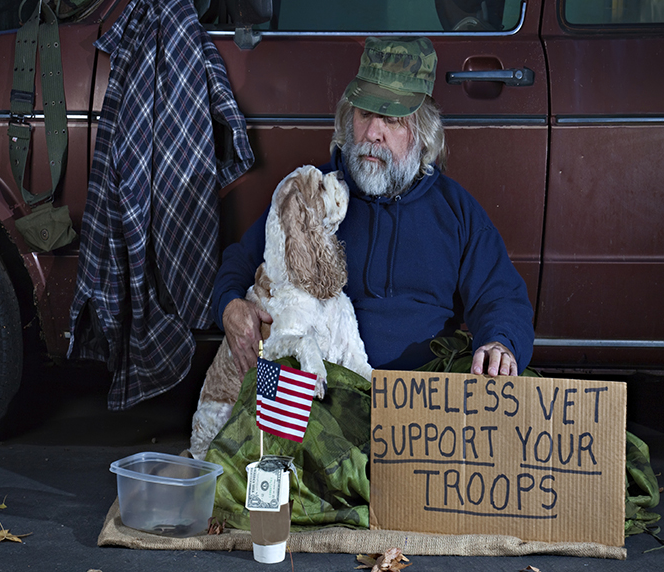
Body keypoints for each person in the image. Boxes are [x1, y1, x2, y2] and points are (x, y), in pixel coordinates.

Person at [212, 36, 534, 383]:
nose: (373, 133)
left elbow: (500, 296)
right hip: (326, 382)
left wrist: (501, 343)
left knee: (523, 388)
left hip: (425, 387)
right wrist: (230, 305)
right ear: (347, 118)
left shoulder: (454, 209)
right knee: (272, 400)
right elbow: (241, 261)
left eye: (392, 119)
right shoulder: (311, 194)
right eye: (365, 113)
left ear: (422, 133)